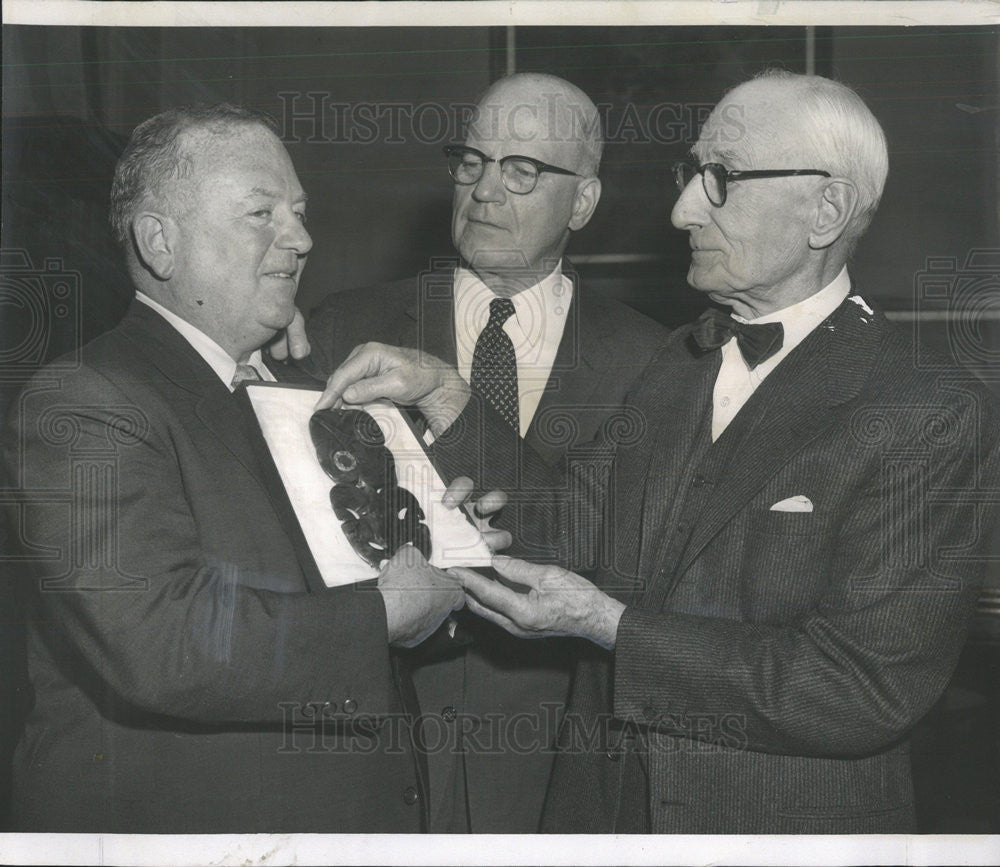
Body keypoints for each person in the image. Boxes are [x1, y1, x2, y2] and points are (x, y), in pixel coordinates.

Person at [319, 71, 1000, 833]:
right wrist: (445, 392)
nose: (681, 211)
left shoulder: (927, 409)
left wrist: (612, 626)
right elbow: (567, 528)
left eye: (719, 181)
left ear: (826, 211)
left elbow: (860, 688)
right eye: (689, 177)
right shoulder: (683, 360)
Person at [1, 104, 473, 833]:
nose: (303, 239)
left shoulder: (309, 385)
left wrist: (450, 548)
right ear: (159, 242)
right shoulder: (83, 399)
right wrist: (385, 611)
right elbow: (160, 641)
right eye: (262, 213)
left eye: (300, 211)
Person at [307, 73, 667, 832]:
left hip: (557, 758)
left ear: (585, 201)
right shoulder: (344, 326)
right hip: (379, 742)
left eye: (522, 170)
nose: (485, 191)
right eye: (472, 163)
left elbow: (620, 559)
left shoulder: (656, 363)